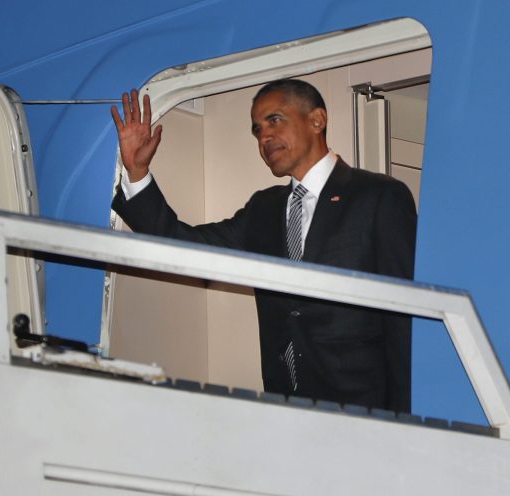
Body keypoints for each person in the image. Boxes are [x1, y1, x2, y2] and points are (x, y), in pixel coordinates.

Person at [110, 79, 416, 412]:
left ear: (317, 120)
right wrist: (137, 172)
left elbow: (405, 318)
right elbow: (183, 246)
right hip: (283, 411)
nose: (264, 137)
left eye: (275, 120)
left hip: (366, 412)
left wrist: (405, 418)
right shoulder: (263, 209)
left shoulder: (379, 197)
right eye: (257, 129)